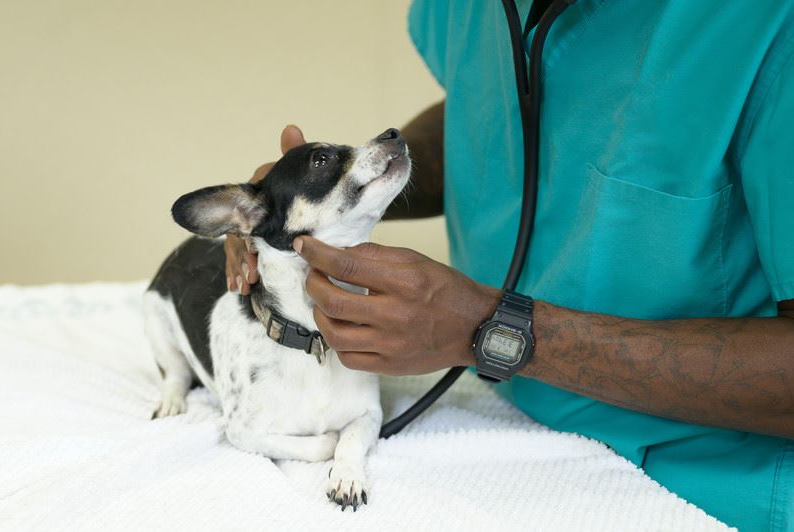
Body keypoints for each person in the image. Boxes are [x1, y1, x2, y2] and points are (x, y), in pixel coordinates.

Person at [226, 2, 794, 530]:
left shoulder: (768, 28)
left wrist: (490, 330)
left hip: (700, 483)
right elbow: (498, 107)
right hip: (497, 415)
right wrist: (347, 195)